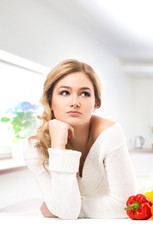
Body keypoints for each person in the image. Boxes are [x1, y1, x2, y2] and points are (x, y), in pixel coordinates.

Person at [23, 59, 137, 219]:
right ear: (50, 101)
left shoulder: (110, 134)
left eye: (84, 93)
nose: (75, 102)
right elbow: (66, 212)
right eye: (64, 93)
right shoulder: (33, 147)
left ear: (95, 102)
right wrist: (58, 146)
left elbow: (127, 205)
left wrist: (62, 207)